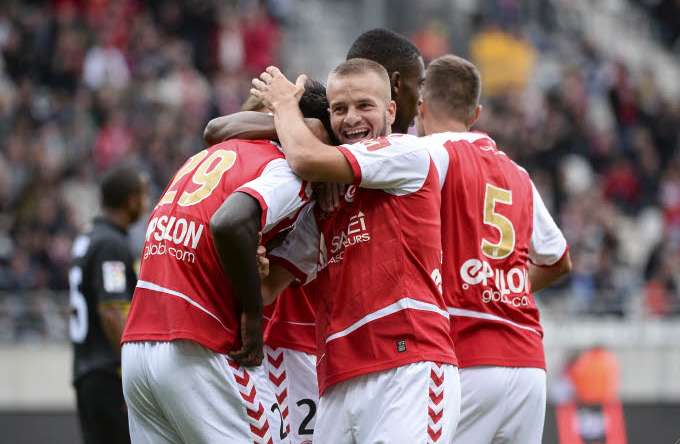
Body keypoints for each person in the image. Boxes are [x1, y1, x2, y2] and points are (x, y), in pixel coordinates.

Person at [251, 58, 460, 443]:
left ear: (391, 110)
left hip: (406, 366)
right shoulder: (327, 204)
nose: (352, 119)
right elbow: (267, 287)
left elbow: (305, 158)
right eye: (339, 109)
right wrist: (256, 263)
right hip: (336, 379)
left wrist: (283, 104)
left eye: (364, 105)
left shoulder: (407, 153)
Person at [120, 83, 330, 444]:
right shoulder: (284, 168)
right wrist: (251, 314)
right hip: (199, 341)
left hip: (138, 347)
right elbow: (229, 222)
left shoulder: (207, 156)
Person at [415, 54, 572, 444]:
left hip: (466, 355)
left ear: (421, 107)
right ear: (477, 112)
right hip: (528, 364)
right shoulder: (517, 174)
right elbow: (558, 260)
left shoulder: (430, 154)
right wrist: (500, 288)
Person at [69, 164, 147, 444]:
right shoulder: (110, 244)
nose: (145, 202)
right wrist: (132, 373)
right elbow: (111, 310)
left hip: (87, 370)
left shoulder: (89, 238)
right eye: (143, 195)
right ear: (131, 200)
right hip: (107, 374)